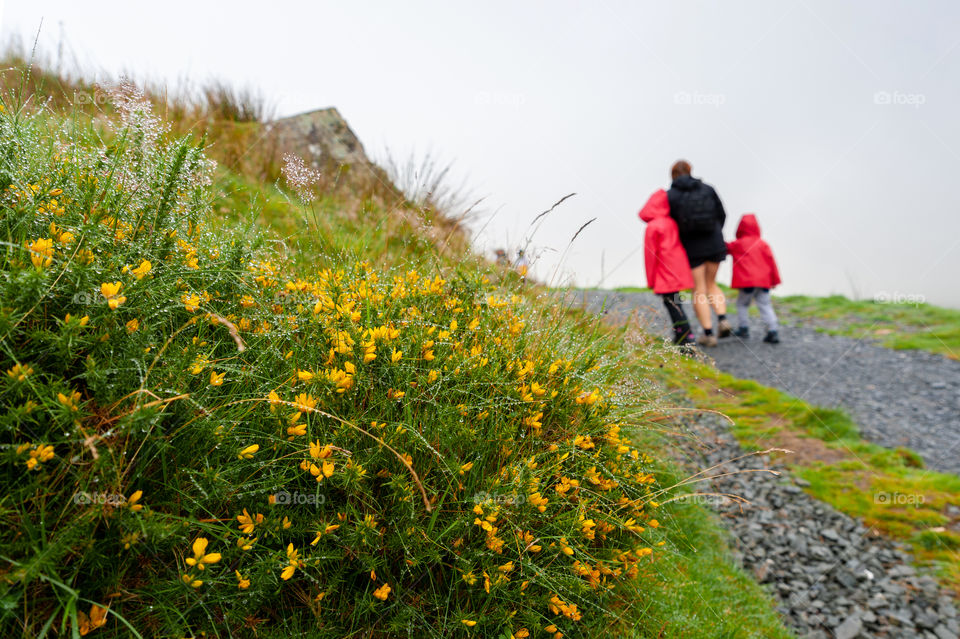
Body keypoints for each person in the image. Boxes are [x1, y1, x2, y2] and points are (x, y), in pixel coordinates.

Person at [667, 160, 731, 346]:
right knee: (711, 283)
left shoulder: (671, 195)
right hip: (714, 243)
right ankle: (722, 319)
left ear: (673, 175)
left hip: (691, 248)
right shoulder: (708, 189)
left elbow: (671, 224)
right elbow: (722, 214)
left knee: (699, 290)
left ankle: (709, 334)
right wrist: (715, 233)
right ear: (690, 170)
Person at [638, 189, 696, 346]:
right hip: (677, 267)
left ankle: (686, 338)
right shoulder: (672, 222)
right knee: (675, 301)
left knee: (671, 304)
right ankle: (683, 336)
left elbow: (650, 256)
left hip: (664, 269)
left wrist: (651, 281)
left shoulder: (653, 226)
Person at [726, 213, 782, 343]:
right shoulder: (763, 244)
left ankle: (743, 328)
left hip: (747, 283)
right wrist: (774, 281)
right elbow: (772, 263)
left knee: (742, 304)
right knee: (765, 305)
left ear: (740, 227)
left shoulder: (738, 244)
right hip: (764, 282)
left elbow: (724, 248)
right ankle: (773, 331)